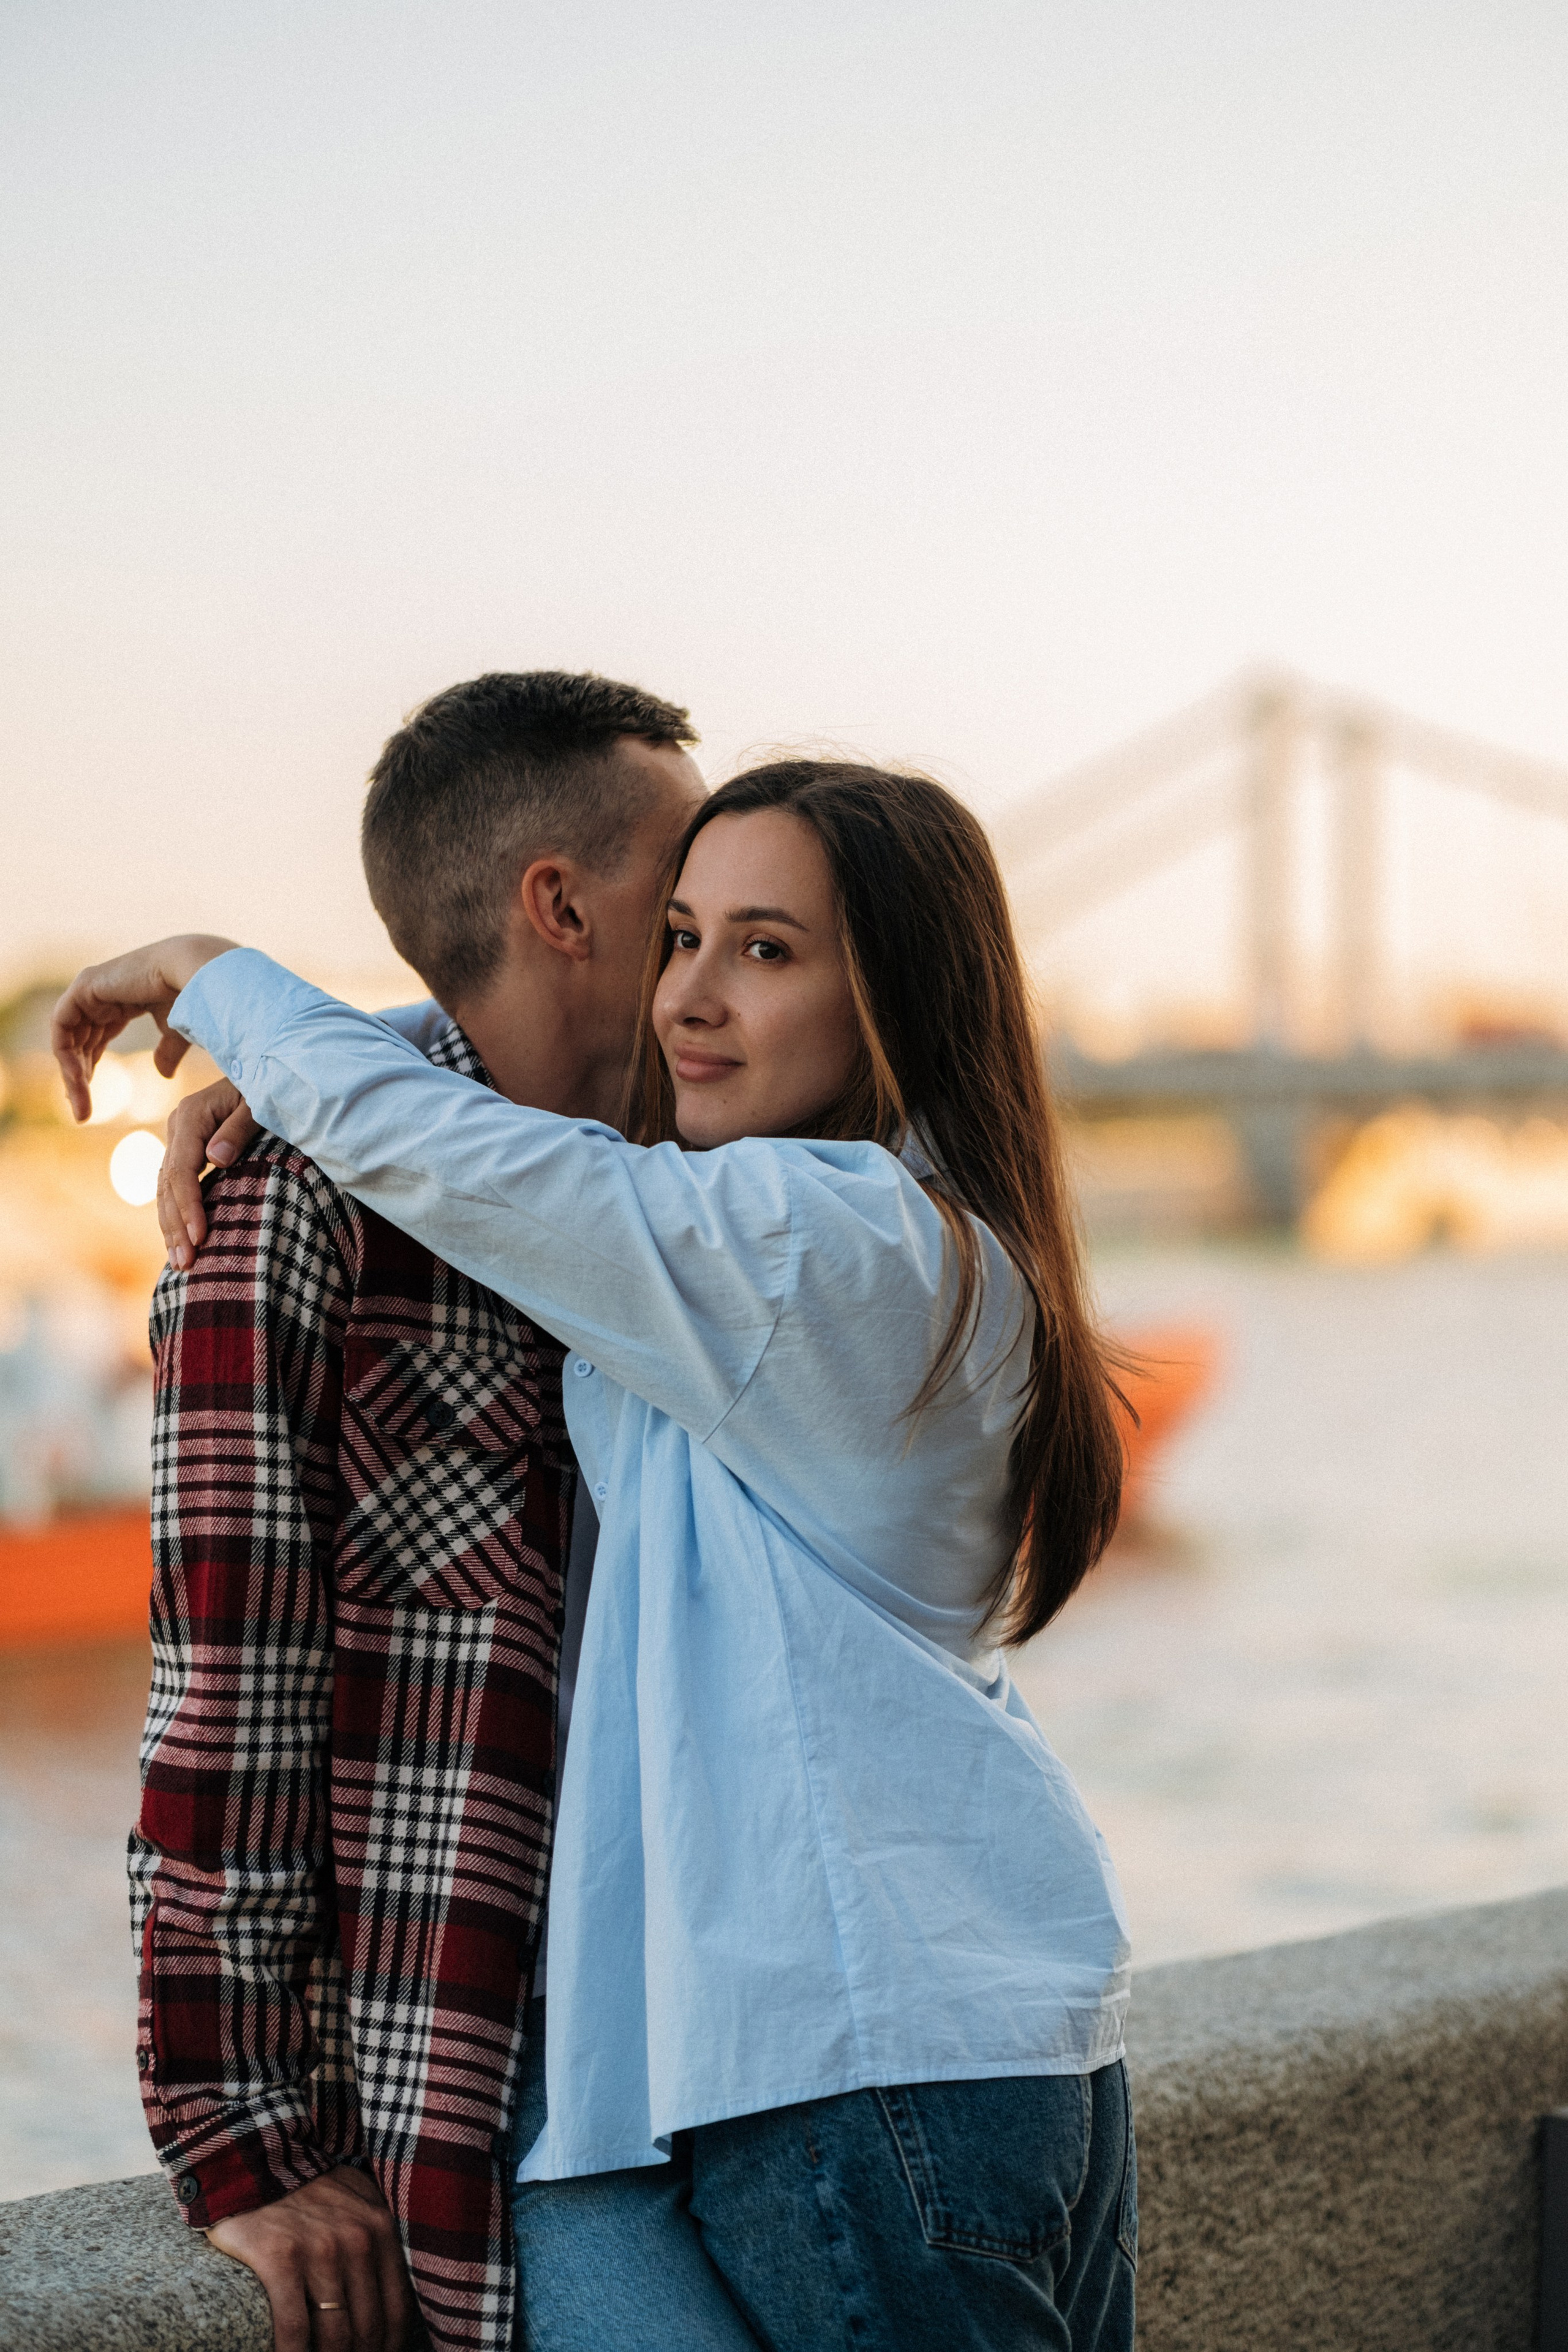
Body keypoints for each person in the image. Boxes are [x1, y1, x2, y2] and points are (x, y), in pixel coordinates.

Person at [56, 758, 1139, 2352]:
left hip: (862, 2074)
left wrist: (216, 984)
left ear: (894, 994)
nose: (686, 996)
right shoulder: (878, 1228)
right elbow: (511, 1118)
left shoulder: (811, 1246)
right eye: (682, 934)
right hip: (975, 2045)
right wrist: (318, 1077)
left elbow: (503, 1174)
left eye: (765, 951)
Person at [91, 671, 704, 2352]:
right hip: (509, 2089)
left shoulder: (728, 1183)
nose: (715, 933)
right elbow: (230, 1690)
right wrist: (243, 2144)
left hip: (763, 2054)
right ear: (562, 904)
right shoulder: (294, 1208)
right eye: (684, 883)